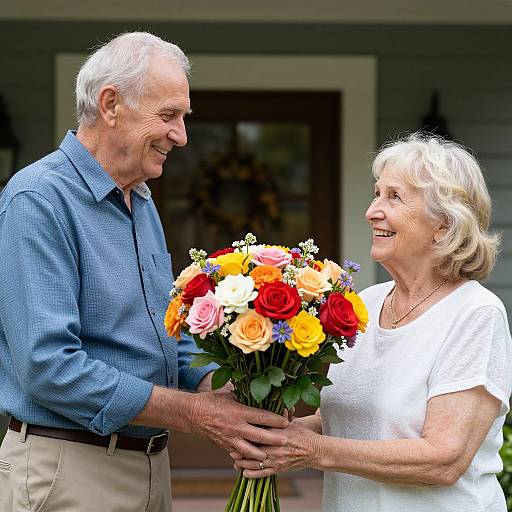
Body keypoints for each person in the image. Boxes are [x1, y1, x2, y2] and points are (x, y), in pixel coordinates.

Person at [0, 32, 288, 512]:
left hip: (152, 465)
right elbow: (48, 367)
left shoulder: (140, 201)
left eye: (182, 118)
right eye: (169, 115)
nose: (181, 135)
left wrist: (223, 390)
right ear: (110, 104)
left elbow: (163, 328)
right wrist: (197, 414)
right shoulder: (38, 200)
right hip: (70, 470)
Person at [232, 133, 512, 512]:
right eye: (377, 193)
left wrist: (312, 451)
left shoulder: (475, 313)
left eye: (393, 197)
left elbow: (443, 459)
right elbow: (339, 420)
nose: (372, 210)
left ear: (444, 224)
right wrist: (276, 440)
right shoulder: (366, 303)